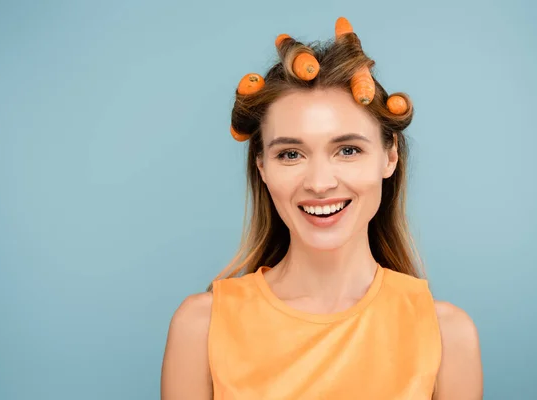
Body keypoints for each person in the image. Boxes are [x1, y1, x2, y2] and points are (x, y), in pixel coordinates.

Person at [161, 16, 483, 400]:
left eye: (348, 150)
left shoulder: (448, 335)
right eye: (291, 154)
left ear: (389, 156)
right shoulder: (200, 327)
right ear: (262, 166)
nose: (319, 182)